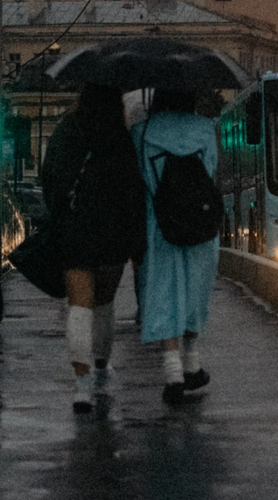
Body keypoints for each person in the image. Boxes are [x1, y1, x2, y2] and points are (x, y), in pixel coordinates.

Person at [40, 82, 146, 412]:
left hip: (75, 229)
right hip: (113, 233)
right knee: (103, 305)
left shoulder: (66, 130)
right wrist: (135, 240)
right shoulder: (121, 136)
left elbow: (50, 178)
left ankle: (82, 385)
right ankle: (101, 365)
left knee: (79, 308)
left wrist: (60, 215)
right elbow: (133, 190)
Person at [132, 83, 220, 405]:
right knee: (196, 290)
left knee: (164, 291)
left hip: (161, 226)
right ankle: (192, 362)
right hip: (200, 224)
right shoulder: (206, 128)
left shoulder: (142, 131)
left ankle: (172, 373)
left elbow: (141, 177)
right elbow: (210, 170)